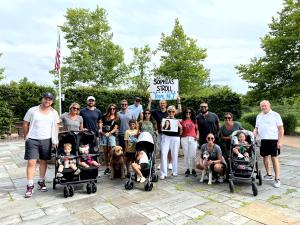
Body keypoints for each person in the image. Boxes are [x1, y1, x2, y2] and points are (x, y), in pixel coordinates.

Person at [23, 92, 60, 198]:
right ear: (42, 99)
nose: (47, 101)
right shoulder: (32, 110)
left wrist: (55, 140)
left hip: (46, 140)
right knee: (31, 162)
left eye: (49, 99)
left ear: (52, 101)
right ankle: (30, 185)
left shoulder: (54, 113)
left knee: (44, 161)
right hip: (32, 140)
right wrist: (26, 137)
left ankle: (41, 181)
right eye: (45, 98)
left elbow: (56, 127)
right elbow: (25, 123)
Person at [253, 100, 284, 188]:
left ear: (269, 106)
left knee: (274, 158)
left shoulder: (275, 115)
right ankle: (268, 174)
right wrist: (254, 132)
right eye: (262, 106)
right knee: (265, 156)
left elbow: (281, 129)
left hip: (273, 140)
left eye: (265, 105)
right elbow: (257, 127)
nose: (263, 107)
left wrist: (280, 141)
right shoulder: (259, 116)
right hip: (262, 140)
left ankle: (277, 178)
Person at [148, 97, 182, 170]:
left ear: (166, 104)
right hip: (161, 134)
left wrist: (178, 101)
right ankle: (161, 163)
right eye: (161, 103)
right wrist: (149, 102)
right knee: (161, 149)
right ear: (159, 104)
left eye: (163, 103)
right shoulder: (156, 111)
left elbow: (179, 110)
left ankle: (170, 163)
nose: (162, 104)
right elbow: (148, 111)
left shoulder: (170, 111)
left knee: (169, 149)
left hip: (170, 134)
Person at [160, 105, 182, 179]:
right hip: (166, 137)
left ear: (175, 112)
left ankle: (174, 171)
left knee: (175, 154)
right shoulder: (164, 120)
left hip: (175, 138)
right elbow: (162, 130)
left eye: (173, 111)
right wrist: (161, 127)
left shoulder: (177, 120)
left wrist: (180, 127)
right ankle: (163, 173)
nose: (171, 113)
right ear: (168, 112)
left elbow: (181, 133)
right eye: (169, 111)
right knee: (163, 153)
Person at [100, 104, 119, 175]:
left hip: (112, 136)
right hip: (104, 135)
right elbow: (101, 123)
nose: (112, 110)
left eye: (114, 109)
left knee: (113, 151)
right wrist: (101, 130)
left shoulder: (116, 117)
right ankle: (107, 167)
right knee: (105, 152)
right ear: (108, 109)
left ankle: (112, 166)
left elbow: (115, 128)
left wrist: (110, 133)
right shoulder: (104, 116)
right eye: (111, 109)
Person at [181, 108, 199, 177]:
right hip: (184, 138)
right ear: (184, 113)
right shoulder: (182, 121)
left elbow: (197, 130)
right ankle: (187, 169)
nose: (188, 114)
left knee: (193, 155)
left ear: (191, 114)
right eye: (186, 112)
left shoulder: (194, 121)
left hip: (193, 138)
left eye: (189, 112)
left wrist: (197, 135)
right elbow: (181, 132)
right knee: (186, 155)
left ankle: (193, 169)